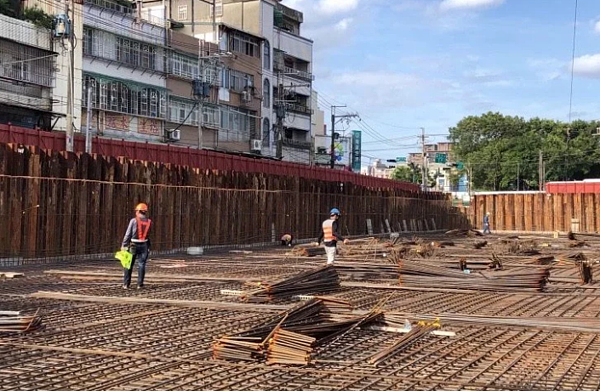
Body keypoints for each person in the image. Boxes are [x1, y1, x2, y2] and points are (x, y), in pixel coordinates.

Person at [121, 203, 152, 289]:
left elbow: (128, 234)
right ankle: (140, 284)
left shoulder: (133, 221)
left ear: (138, 211)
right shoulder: (149, 222)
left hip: (133, 245)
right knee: (141, 264)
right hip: (144, 245)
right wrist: (149, 246)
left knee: (128, 264)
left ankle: (126, 284)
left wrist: (124, 245)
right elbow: (149, 235)